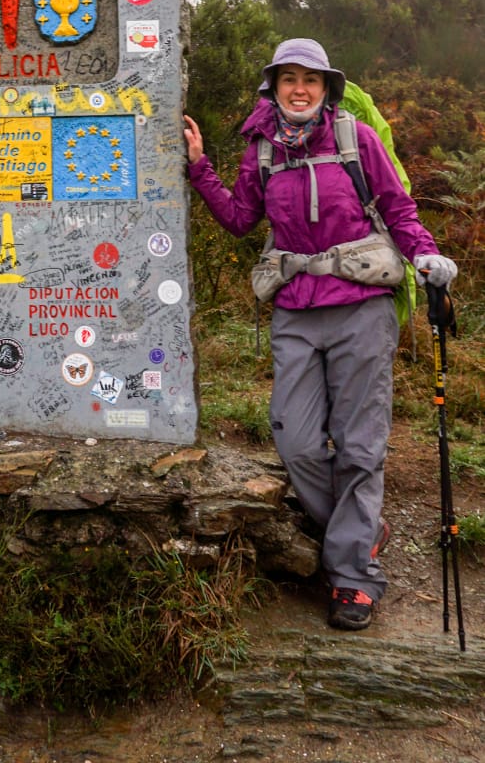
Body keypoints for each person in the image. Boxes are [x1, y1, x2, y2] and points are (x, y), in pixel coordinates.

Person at [183, 38, 456, 631]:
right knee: (297, 441)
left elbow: (398, 209)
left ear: (327, 88)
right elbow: (241, 220)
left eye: (311, 79)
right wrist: (199, 167)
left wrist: (426, 256)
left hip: (362, 306)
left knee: (359, 446)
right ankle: (361, 531)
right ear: (274, 88)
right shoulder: (261, 148)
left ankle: (354, 578)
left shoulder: (357, 139)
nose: (300, 89)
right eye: (289, 79)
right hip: (296, 309)